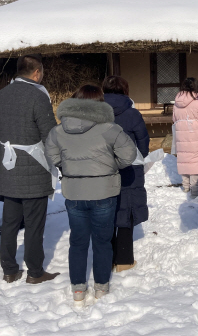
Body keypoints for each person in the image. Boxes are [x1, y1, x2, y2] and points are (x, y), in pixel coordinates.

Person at [45, 84, 136, 302]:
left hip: (74, 192)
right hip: (104, 191)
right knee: (102, 241)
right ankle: (101, 287)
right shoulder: (109, 129)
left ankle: (78, 288)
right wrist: (112, 166)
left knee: (78, 241)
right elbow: (129, 155)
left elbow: (51, 155)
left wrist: (67, 168)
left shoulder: (58, 130)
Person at [0, 54, 59, 284]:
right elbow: (49, 133)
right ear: (37, 73)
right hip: (33, 165)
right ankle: (35, 271)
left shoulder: (0, 96)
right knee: (34, 224)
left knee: (10, 223)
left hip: (8, 167)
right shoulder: (37, 96)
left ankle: (9, 269)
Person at [102, 76, 150, 273]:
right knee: (126, 210)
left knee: (105, 212)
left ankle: (107, 258)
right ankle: (123, 260)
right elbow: (144, 146)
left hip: (102, 170)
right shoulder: (132, 114)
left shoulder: (95, 114)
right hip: (129, 170)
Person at [173, 77, 198, 196]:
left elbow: (174, 119)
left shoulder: (177, 102)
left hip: (181, 134)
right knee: (195, 160)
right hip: (196, 134)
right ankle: (195, 190)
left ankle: (185, 186)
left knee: (184, 159)